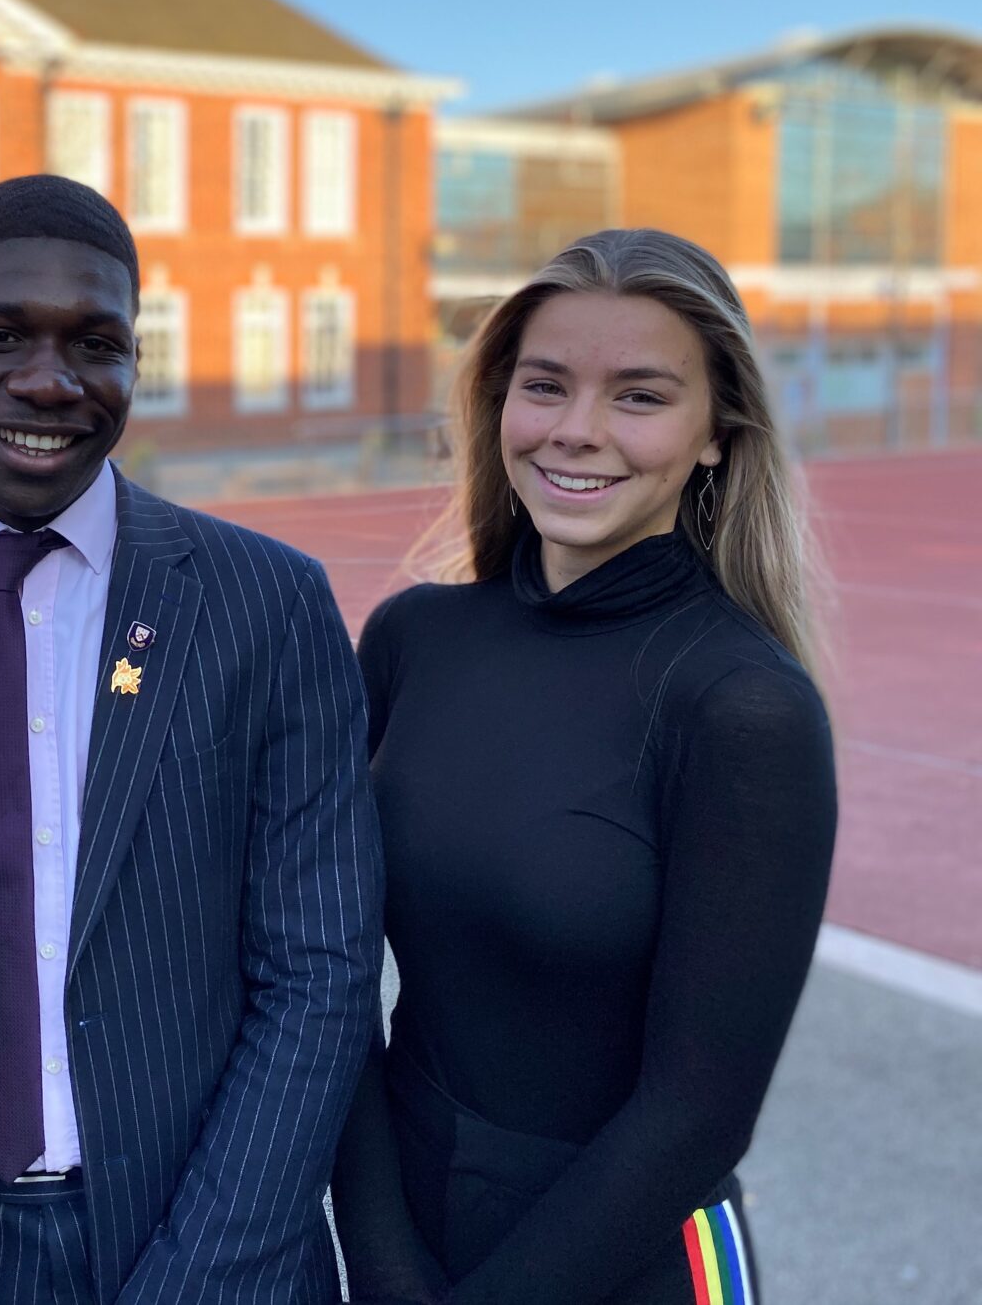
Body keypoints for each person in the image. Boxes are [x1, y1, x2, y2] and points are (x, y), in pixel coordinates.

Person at [0, 175, 383, 1305]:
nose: (48, 381)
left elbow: (320, 973)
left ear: (135, 363)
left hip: (201, 1244)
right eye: (0, 335)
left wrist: (198, 1282)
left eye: (96, 344)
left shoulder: (268, 603)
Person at [327, 229, 836, 1305]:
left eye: (639, 396)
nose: (576, 429)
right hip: (404, 1232)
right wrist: (378, 1255)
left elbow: (697, 1115)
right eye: (545, 384)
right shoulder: (414, 639)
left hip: (625, 1260)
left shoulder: (742, 707)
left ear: (714, 433)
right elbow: (330, 976)